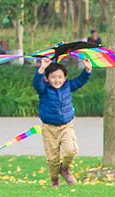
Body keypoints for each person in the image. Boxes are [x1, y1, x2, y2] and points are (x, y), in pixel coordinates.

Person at [33, 57, 92, 186]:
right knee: (52, 158)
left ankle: (65, 168)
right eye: (53, 77)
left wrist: (87, 70)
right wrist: (42, 68)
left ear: (65, 78)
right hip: (49, 128)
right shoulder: (44, 89)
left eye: (60, 77)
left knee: (71, 150)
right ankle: (54, 180)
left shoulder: (68, 86)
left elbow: (81, 81)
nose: (57, 80)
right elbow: (36, 83)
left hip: (66, 126)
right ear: (46, 78)